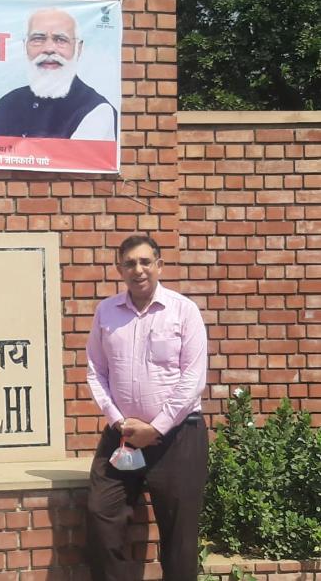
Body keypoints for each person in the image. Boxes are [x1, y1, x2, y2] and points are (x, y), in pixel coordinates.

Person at [85, 235, 208, 581]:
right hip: (123, 436)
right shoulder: (106, 312)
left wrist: (156, 427)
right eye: (129, 263)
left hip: (178, 438)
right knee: (101, 514)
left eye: (145, 262)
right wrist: (119, 421)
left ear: (159, 265)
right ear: (119, 269)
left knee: (180, 538)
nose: (138, 270)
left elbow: (193, 378)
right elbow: (96, 370)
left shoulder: (183, 311)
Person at [0, 8, 116, 140]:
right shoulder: (8, 104)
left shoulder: (96, 110)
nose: (49, 49)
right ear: (25, 46)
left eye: (61, 39)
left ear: (78, 48)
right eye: (38, 39)